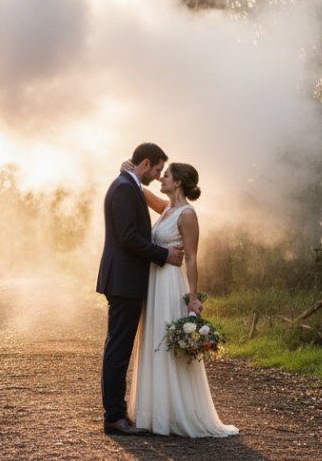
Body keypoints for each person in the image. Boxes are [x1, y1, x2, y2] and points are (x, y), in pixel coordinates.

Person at [126, 162, 238, 437]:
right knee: (153, 340)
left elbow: (191, 258)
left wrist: (193, 299)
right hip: (154, 281)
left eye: (165, 175)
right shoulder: (166, 209)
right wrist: (130, 171)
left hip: (170, 284)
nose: (160, 179)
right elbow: (140, 191)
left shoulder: (187, 214)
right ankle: (153, 412)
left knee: (166, 345)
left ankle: (175, 413)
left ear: (177, 183)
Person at [97, 143, 185, 436]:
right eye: (158, 169)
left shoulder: (128, 185)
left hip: (126, 280)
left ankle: (117, 413)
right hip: (123, 281)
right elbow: (127, 237)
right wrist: (163, 255)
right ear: (146, 164)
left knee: (119, 346)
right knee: (118, 349)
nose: (159, 176)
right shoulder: (124, 187)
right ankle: (114, 416)